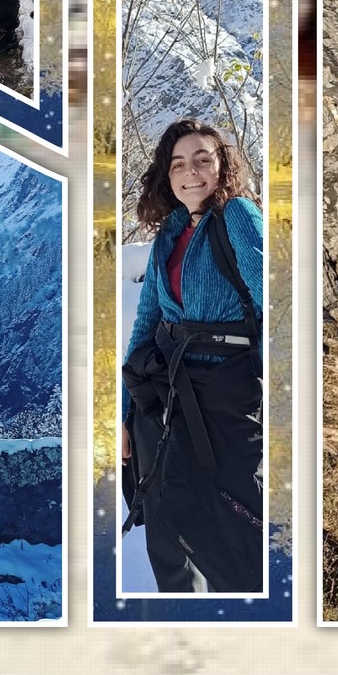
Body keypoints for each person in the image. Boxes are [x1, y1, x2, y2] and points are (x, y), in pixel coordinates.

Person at [120, 118, 265, 594]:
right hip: (164, 394)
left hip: (225, 392)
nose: (191, 172)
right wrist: (125, 415)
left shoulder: (238, 215)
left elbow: (276, 300)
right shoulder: (170, 233)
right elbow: (146, 324)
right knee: (165, 522)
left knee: (231, 523)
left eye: (203, 160)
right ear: (167, 174)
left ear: (222, 166)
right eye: (178, 163)